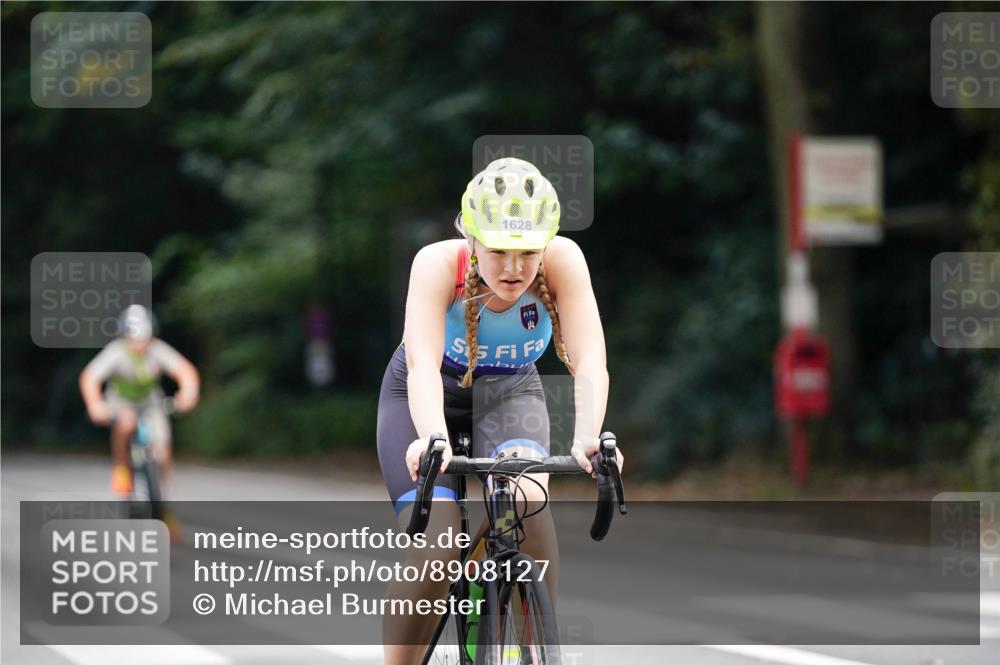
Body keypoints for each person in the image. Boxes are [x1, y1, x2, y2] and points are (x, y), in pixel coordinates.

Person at [377, 156, 624, 663]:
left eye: (528, 253)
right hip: (424, 396)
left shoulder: (564, 260)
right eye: (499, 252)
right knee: (440, 544)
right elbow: (422, 365)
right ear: (470, 240)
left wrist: (589, 439)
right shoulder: (436, 264)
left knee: (528, 501)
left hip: (510, 394)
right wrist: (430, 438)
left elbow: (591, 361)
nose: (514, 268)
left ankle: (536, 647)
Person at [79, 305, 200, 535]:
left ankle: (164, 501)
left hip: (151, 404)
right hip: (121, 403)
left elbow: (185, 371)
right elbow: (90, 377)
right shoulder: (116, 352)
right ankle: (121, 466)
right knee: (125, 424)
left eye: (143, 338)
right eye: (133, 338)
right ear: (124, 335)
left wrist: (188, 393)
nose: (138, 344)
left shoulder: (157, 350)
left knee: (163, 449)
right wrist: (95, 404)